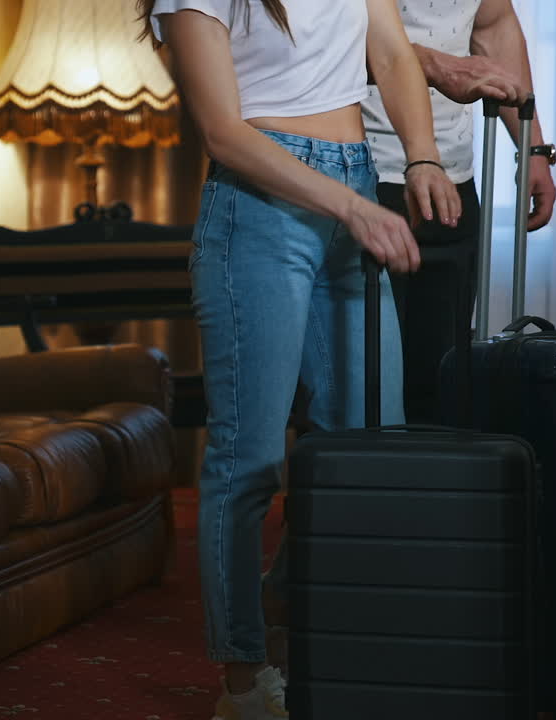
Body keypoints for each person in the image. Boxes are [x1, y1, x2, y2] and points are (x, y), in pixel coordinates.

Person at [140, 1, 459, 718]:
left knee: (373, 446)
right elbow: (223, 133)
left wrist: (421, 154)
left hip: (353, 184)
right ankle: (244, 678)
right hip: (259, 212)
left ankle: (289, 623)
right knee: (248, 459)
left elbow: (393, 53)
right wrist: (353, 209)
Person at [362, 0, 556, 423]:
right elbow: (322, 34)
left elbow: (495, 24)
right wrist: (436, 65)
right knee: (366, 395)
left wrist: (533, 147)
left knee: (441, 386)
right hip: (363, 173)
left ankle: (435, 488)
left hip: (454, 179)